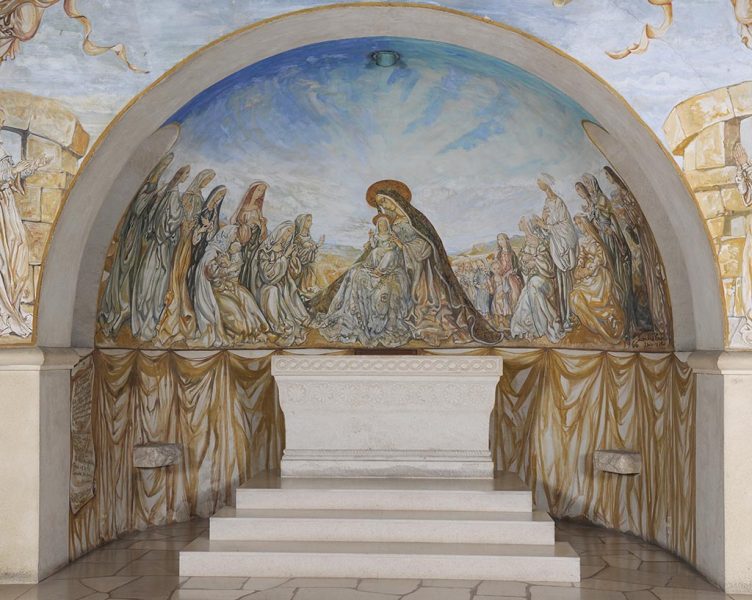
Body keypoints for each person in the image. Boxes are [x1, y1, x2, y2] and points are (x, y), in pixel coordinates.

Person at [317, 214, 412, 346]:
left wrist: (397, 243)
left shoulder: (392, 236)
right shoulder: (376, 237)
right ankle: (373, 268)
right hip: (377, 259)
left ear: (387, 225)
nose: (382, 226)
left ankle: (380, 271)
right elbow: (370, 247)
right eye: (380, 224)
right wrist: (370, 239)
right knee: (376, 251)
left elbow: (401, 250)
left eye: (384, 224)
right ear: (378, 226)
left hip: (390, 261)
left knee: (390, 253)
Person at [0, 110, 50, 337]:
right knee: (5, 256)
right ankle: (4, 310)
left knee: (16, 252)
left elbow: (9, 178)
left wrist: (30, 168)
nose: (1, 124)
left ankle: (11, 306)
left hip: (6, 206)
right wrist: (14, 170)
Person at [603, 166, 668, 334]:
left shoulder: (625, 195)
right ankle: (642, 323)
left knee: (641, 281)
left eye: (607, 174)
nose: (607, 177)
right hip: (631, 246)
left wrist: (627, 220)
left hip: (639, 246)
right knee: (636, 285)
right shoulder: (618, 197)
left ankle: (650, 322)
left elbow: (637, 220)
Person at [130, 165, 190, 341]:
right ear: (180, 175)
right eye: (186, 174)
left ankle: (142, 321)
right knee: (156, 284)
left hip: (156, 245)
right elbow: (169, 223)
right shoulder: (173, 196)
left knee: (148, 282)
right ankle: (149, 322)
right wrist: (182, 217)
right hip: (162, 247)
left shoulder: (166, 193)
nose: (187, 177)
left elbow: (154, 218)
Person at [157, 173, 218, 344]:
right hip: (183, 241)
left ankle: (182, 314)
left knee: (183, 275)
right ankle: (173, 316)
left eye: (209, 181)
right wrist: (196, 227)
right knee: (178, 275)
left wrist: (203, 228)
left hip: (190, 242)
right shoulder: (189, 196)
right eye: (206, 179)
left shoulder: (200, 198)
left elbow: (196, 224)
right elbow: (183, 219)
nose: (206, 182)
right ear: (200, 179)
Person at [582, 173, 635, 338]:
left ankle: (625, 312)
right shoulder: (593, 202)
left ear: (594, 184)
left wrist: (606, 227)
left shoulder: (601, 199)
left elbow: (610, 218)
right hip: (602, 238)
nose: (588, 187)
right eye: (586, 185)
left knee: (614, 270)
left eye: (588, 184)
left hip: (609, 237)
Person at [569, 214, 625, 345]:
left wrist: (590, 269)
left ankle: (608, 323)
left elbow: (601, 258)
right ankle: (594, 326)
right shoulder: (582, 241)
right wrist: (580, 269)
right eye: (577, 224)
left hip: (599, 274)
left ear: (585, 224)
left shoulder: (596, 240)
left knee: (602, 298)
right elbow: (581, 257)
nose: (579, 227)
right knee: (575, 295)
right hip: (587, 275)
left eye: (580, 223)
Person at [534, 174, 579, 329]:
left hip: (563, 248)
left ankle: (571, 316)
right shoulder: (547, 202)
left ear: (546, 183)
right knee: (559, 284)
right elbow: (547, 230)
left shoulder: (558, 202)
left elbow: (565, 226)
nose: (538, 184)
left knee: (566, 283)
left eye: (539, 181)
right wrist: (542, 221)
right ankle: (564, 316)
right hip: (555, 248)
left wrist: (544, 225)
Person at [510, 217, 564, 343]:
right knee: (529, 292)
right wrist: (525, 262)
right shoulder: (525, 244)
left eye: (521, 221)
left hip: (546, 281)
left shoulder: (540, 240)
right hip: (532, 281)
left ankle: (546, 323)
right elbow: (523, 267)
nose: (519, 223)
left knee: (533, 285)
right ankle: (546, 321)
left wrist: (534, 260)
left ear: (528, 224)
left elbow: (549, 267)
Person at [255, 221, 309, 344]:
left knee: (289, 288)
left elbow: (293, 273)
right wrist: (285, 256)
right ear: (280, 230)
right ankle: (277, 325)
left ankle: (299, 319)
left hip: (282, 285)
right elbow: (268, 276)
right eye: (288, 231)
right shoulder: (266, 250)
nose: (289, 235)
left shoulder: (285, 249)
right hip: (266, 287)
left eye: (291, 233)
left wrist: (293, 258)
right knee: (273, 291)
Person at [207, 239, 270, 344]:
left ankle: (257, 329)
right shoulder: (213, 256)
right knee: (235, 310)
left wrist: (227, 267)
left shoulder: (231, 256)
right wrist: (224, 268)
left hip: (230, 287)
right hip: (219, 293)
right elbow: (213, 274)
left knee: (246, 298)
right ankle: (247, 332)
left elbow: (234, 269)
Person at [232, 181, 269, 296]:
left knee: (249, 263)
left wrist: (261, 224)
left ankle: (246, 287)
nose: (260, 193)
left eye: (262, 191)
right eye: (259, 190)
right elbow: (234, 221)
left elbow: (261, 228)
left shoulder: (257, 209)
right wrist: (245, 226)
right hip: (242, 239)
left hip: (253, 242)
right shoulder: (242, 207)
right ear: (252, 190)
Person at [490, 233, 523, 328]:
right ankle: (503, 317)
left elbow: (516, 267)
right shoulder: (498, 254)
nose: (500, 241)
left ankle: (516, 317)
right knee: (499, 295)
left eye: (502, 239)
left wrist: (510, 273)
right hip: (501, 276)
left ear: (506, 240)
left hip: (511, 276)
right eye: (498, 240)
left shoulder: (512, 253)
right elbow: (495, 266)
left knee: (514, 294)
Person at [292, 213, 324, 298]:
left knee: (313, 267)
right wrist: (317, 245)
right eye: (308, 220)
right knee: (310, 268)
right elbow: (306, 246)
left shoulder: (308, 236)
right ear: (302, 222)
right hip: (300, 262)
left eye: (311, 220)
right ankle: (306, 288)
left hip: (307, 260)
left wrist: (316, 246)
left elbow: (312, 246)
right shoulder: (298, 237)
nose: (311, 223)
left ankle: (310, 286)